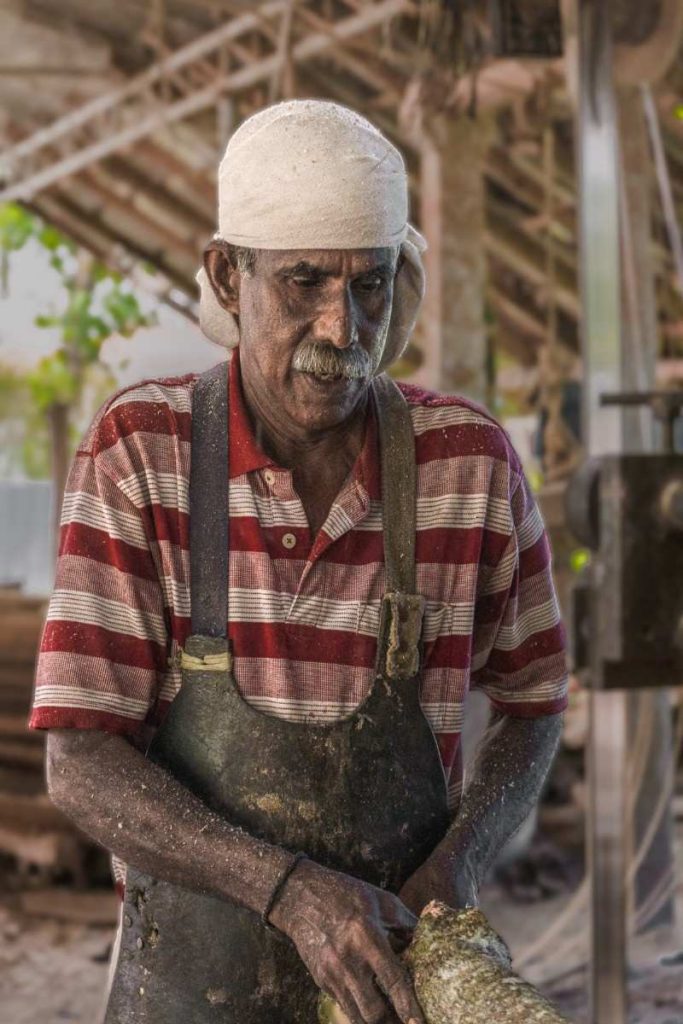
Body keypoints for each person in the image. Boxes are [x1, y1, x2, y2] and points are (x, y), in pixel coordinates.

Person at [31, 100, 568, 1024]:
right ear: (227, 276)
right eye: (303, 282)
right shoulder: (143, 451)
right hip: (186, 989)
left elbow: (533, 705)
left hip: (392, 984)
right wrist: (292, 893)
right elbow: (79, 758)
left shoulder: (464, 465)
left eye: (369, 287)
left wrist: (452, 874)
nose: (339, 327)